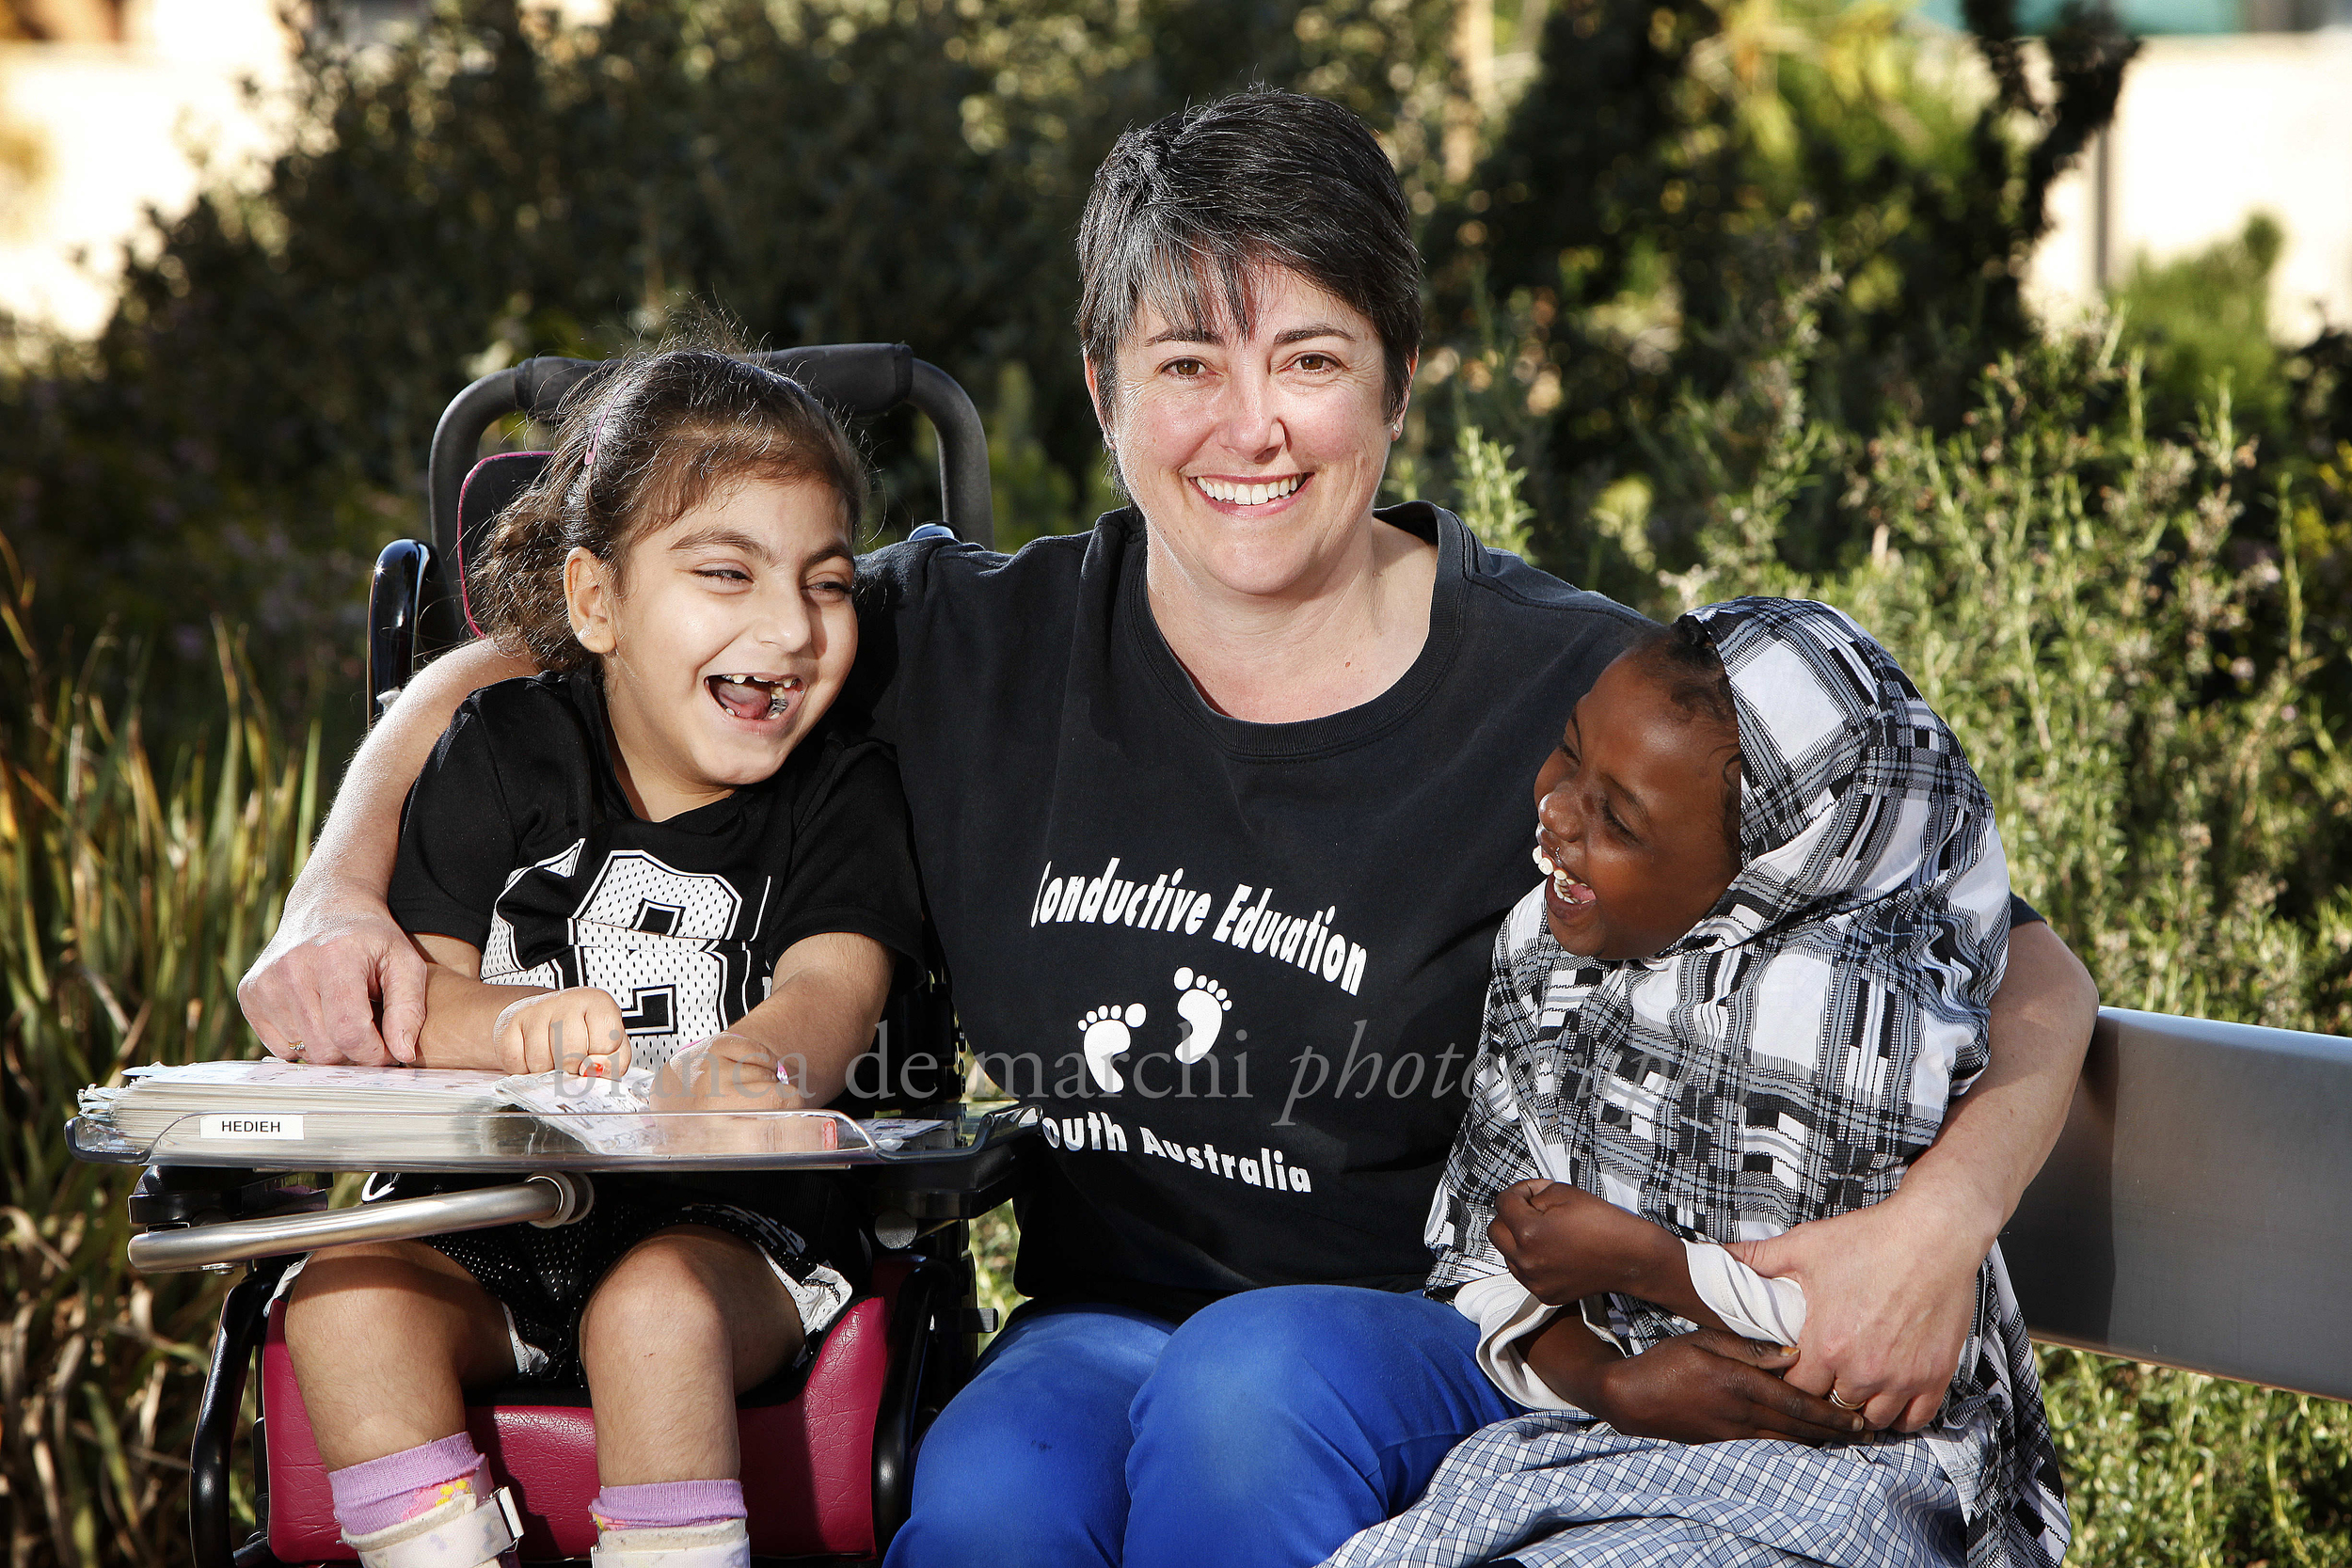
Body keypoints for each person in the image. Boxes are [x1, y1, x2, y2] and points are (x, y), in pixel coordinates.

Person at [239, 92, 2100, 1568]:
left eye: (1305, 356)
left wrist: (1942, 1217)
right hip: (1088, 1321)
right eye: (1182, 362)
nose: (1249, 427)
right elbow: (565, 654)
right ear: (1099, 386)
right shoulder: (966, 638)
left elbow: (2005, 950)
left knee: (1248, 1380)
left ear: (1394, 378)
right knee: (983, 1496)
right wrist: (340, 877)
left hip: (1435, 1335)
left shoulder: (1571, 687)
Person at [278, 347, 923, 1568]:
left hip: (736, 1228)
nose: (788, 627)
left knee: (651, 1314)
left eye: (826, 583)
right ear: (597, 599)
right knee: (344, 1294)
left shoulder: (843, 791)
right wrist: (497, 1026)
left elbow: (834, 985)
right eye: (726, 572)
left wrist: (758, 1063)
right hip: (489, 1206)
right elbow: (417, 991)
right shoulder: (505, 748)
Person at [1324, 599, 2066, 1568]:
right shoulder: (1548, 954)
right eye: (1567, 752)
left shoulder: (1846, 1020)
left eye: (1618, 817)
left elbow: (1858, 1355)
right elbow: (1481, 1248)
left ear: (1769, 868)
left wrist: (1643, 1264)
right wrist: (1611, 1379)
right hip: (1596, 1443)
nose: (1555, 811)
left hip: (1843, 1486)